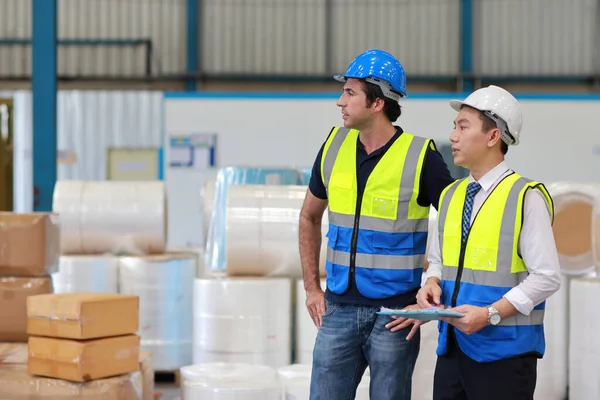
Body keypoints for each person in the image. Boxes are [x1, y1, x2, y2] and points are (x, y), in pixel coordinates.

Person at [298, 48, 455, 400]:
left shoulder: (421, 156)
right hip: (336, 311)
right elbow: (309, 216)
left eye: (350, 92)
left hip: (396, 316)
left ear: (378, 102)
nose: (340, 101)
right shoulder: (333, 146)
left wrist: (432, 292)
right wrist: (311, 288)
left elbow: (457, 226)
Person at [416, 85, 562, 400]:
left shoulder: (526, 197)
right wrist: (432, 280)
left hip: (505, 355)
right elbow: (440, 259)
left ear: (493, 136)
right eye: (454, 127)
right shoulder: (451, 195)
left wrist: (490, 314)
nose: (453, 136)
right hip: (453, 349)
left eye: (463, 126)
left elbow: (547, 277)